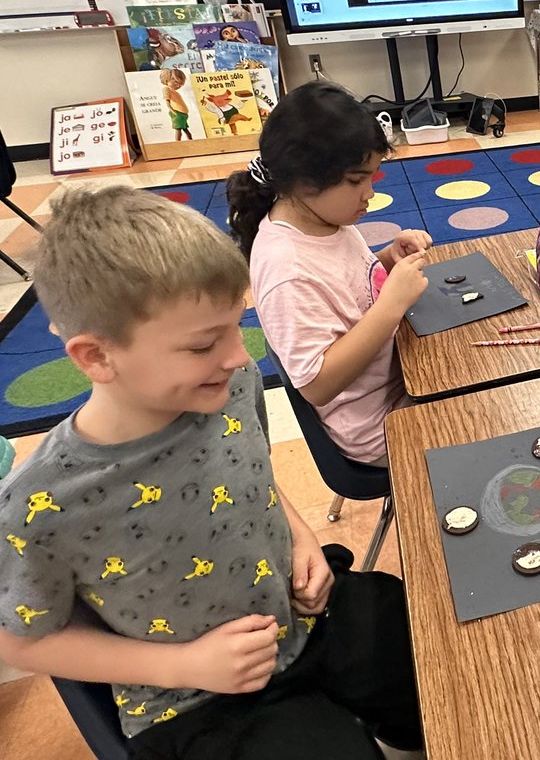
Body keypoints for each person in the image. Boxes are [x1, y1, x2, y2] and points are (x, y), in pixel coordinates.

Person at [0, 186, 422, 758]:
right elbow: (21, 641)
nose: (239, 356)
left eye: (235, 327)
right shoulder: (39, 504)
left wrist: (300, 539)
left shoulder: (229, 386)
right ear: (96, 356)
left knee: (425, 641)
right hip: (196, 699)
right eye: (203, 344)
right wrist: (184, 664)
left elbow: (251, 474)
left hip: (298, 619)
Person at [227, 81, 430, 466]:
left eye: (372, 177)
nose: (369, 192)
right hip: (381, 429)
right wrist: (391, 305)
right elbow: (317, 385)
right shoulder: (287, 268)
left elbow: (348, 291)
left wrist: (388, 259)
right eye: (356, 181)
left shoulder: (324, 220)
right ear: (302, 180)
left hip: (401, 380)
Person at [160, 68, 193, 141]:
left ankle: (190, 141)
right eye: (173, 80)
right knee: (179, 130)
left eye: (179, 83)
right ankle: (178, 144)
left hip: (183, 114)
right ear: (166, 79)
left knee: (186, 130)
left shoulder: (175, 92)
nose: (177, 84)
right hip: (177, 113)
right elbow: (167, 101)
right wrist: (172, 111)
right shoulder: (167, 89)